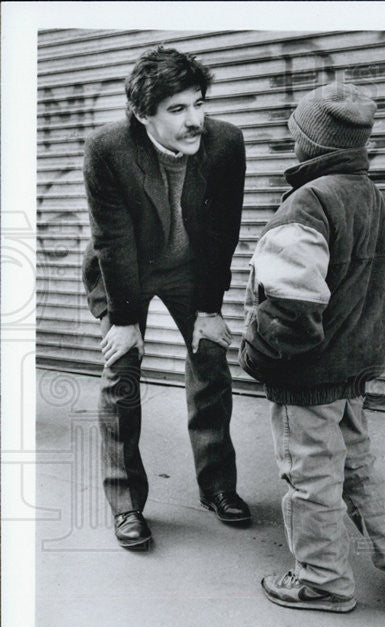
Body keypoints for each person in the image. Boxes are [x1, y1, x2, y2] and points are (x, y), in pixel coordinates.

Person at [239, 82, 385, 616]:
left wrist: (254, 357)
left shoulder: (307, 203)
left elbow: (290, 310)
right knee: (360, 470)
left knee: (310, 482)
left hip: (307, 379)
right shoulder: (380, 203)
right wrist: (361, 336)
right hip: (352, 374)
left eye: (295, 135)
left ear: (310, 144)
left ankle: (323, 583)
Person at [83, 46, 250, 550]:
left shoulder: (226, 142)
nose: (195, 119)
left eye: (198, 103)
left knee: (211, 361)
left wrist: (209, 310)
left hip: (192, 270)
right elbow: (113, 240)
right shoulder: (108, 148)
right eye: (177, 109)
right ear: (143, 114)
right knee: (121, 375)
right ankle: (127, 503)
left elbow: (224, 231)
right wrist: (125, 320)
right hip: (125, 270)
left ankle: (218, 487)